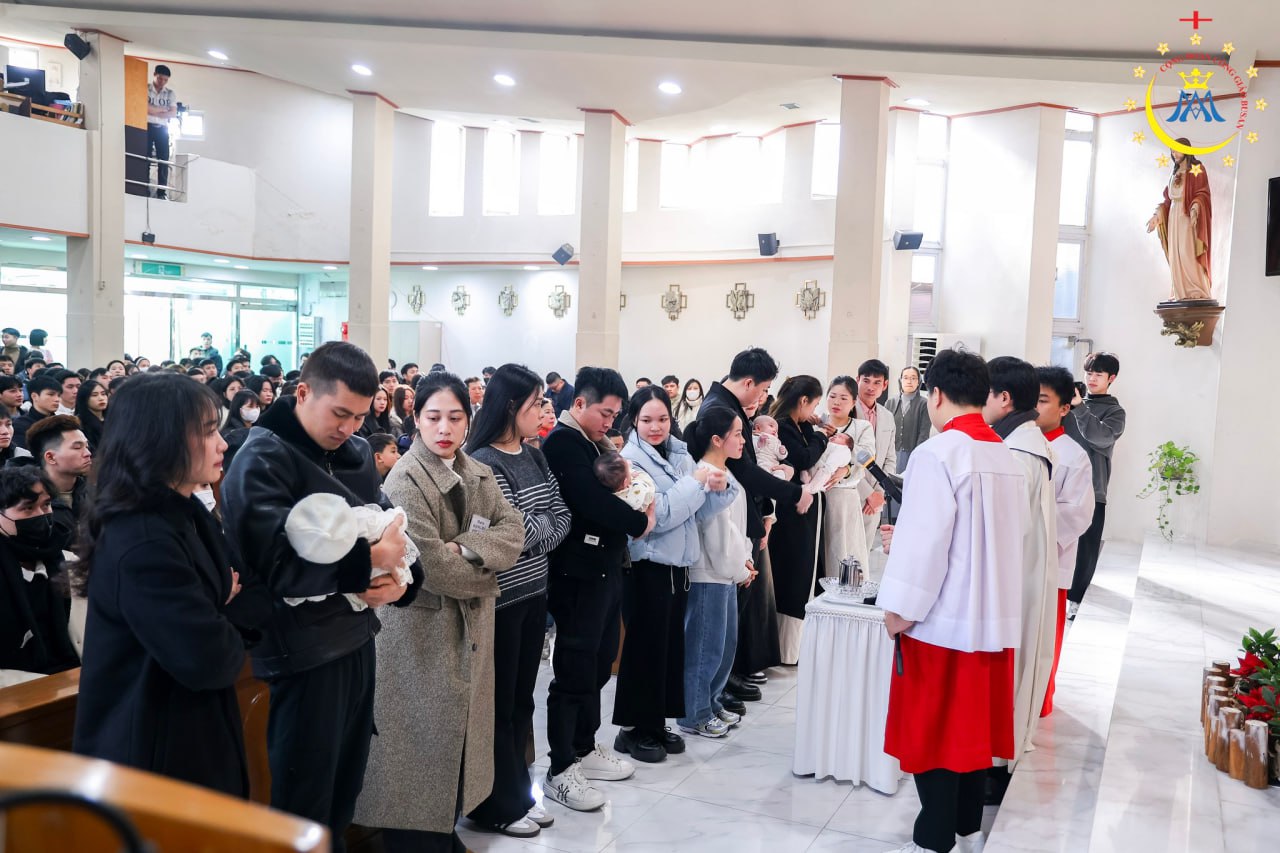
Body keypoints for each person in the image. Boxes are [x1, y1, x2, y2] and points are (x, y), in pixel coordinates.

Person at [219, 341, 419, 849]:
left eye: (359, 416)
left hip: (356, 636)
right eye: (339, 413)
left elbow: (389, 523)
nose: (349, 428)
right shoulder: (261, 456)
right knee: (303, 796)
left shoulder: (353, 453)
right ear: (303, 392)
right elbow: (276, 566)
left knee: (346, 785)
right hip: (300, 650)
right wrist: (368, 562)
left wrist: (399, 580)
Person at [72, 373, 269, 796]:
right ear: (159, 440)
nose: (224, 444)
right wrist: (223, 611)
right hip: (153, 752)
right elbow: (208, 658)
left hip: (192, 731)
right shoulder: (142, 538)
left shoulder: (183, 510)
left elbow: (240, 592)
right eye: (208, 432)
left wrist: (219, 611)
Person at [355, 371, 524, 852]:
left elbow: (514, 532)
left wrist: (466, 548)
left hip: (466, 630)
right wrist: (486, 570)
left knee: (455, 750)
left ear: (469, 421)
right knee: (415, 759)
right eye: (433, 417)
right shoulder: (407, 478)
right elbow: (432, 567)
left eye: (454, 417)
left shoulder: (477, 471)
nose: (444, 428)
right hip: (420, 637)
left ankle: (442, 833)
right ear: (416, 418)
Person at [877, 348, 1026, 853]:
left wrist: (899, 610)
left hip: (940, 620)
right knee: (971, 737)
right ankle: (966, 831)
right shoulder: (1005, 456)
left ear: (935, 394)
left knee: (936, 735)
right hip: (990, 620)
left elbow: (925, 543)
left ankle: (933, 836)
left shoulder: (937, 453)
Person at [464, 364, 572, 837]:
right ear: (511, 408)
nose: (545, 411)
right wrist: (534, 530)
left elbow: (560, 517)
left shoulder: (534, 455)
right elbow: (510, 536)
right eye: (537, 404)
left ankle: (517, 792)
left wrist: (534, 531)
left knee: (521, 701)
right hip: (502, 598)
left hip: (535, 593)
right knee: (499, 705)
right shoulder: (484, 461)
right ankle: (495, 804)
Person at [542, 367, 653, 812]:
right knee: (573, 668)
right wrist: (639, 521)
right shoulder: (563, 444)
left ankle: (585, 748)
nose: (611, 422)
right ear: (581, 403)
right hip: (576, 574)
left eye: (616, 415)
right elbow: (591, 501)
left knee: (600, 661)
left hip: (606, 567)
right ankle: (560, 767)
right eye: (605, 413)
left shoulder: (594, 443)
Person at [613, 385, 733, 763]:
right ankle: (632, 729)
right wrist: (696, 483)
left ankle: (656, 721)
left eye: (662, 419)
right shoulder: (630, 460)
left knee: (668, 650)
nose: (656, 426)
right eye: (647, 420)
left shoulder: (679, 454)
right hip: (647, 565)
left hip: (678, 566)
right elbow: (659, 514)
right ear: (634, 420)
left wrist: (718, 485)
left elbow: (696, 511)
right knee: (643, 650)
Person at [688, 348, 812, 704]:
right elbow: (744, 471)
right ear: (748, 382)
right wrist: (792, 494)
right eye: (763, 389)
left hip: (743, 515)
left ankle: (730, 677)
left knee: (735, 614)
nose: (764, 397)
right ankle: (716, 689)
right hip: (725, 521)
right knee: (719, 622)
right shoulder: (718, 408)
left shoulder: (727, 404)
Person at [982, 356, 1057, 803]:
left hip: (1013, 578)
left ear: (1004, 398)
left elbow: (1004, 532)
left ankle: (995, 768)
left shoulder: (1017, 453)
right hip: (1025, 573)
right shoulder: (1026, 443)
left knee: (1010, 668)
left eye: (984, 394)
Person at [681, 406, 753, 738]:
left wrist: (746, 560)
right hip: (709, 573)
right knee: (705, 648)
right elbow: (717, 535)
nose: (742, 439)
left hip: (728, 570)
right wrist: (740, 568)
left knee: (724, 647)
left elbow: (738, 528)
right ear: (716, 439)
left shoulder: (727, 471)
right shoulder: (706, 475)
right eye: (737, 434)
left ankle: (709, 701)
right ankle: (694, 713)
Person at [1035, 366, 1095, 717]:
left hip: (1048, 561)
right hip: (1010, 561)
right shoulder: (1008, 443)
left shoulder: (1073, 455)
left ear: (1064, 408)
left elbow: (1077, 514)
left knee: (1044, 641)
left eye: (1043, 400)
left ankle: (1040, 699)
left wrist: (1029, 528)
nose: (1035, 407)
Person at [767, 376, 830, 664]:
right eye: (814, 403)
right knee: (793, 574)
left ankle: (796, 647)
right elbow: (803, 457)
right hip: (790, 512)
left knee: (805, 571)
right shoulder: (779, 425)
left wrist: (812, 426)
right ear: (803, 400)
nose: (816, 409)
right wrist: (823, 437)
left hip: (803, 511)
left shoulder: (797, 424)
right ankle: (785, 649)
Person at [0, 467, 78, 680]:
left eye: (46, 505)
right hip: (14, 692)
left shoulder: (69, 562)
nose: (41, 515)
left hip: (74, 678)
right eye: (28, 508)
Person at [1064, 352, 1126, 617]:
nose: (1091, 378)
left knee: (1086, 547)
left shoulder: (1115, 411)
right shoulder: (1072, 403)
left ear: (1111, 378)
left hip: (1093, 487)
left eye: (1098, 374)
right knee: (1062, 542)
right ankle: (1060, 594)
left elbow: (1100, 438)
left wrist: (1079, 408)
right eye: (1089, 373)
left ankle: (1076, 599)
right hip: (1063, 483)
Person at [819, 376, 876, 586]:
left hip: (845, 499)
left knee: (845, 550)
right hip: (820, 497)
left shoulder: (861, 427)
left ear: (853, 402)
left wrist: (848, 467)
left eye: (843, 398)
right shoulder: (817, 424)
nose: (836, 402)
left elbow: (868, 458)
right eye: (832, 396)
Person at [1146, 141, 1213, 301]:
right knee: (1176, 255)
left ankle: (1197, 290)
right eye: (1172, 151)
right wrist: (1156, 216)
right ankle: (1180, 291)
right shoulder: (1174, 173)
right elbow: (1167, 201)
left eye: (1177, 151)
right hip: (1173, 217)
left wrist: (1196, 207)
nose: (1174, 154)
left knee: (1186, 252)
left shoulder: (1198, 170)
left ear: (1186, 151)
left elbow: (1202, 193)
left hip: (1187, 218)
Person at [852, 359, 897, 558]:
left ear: (885, 385)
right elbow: (845, 459)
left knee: (865, 554)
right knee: (845, 554)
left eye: (877, 382)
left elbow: (890, 458)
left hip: (876, 499)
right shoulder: (847, 410)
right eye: (866, 380)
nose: (871, 387)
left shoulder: (887, 416)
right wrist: (867, 492)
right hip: (852, 491)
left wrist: (879, 492)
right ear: (857, 380)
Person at [886, 366, 931, 479]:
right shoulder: (890, 402)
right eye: (905, 377)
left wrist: (917, 456)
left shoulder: (924, 404)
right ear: (900, 381)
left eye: (913, 378)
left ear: (919, 382)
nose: (909, 381)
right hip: (891, 454)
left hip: (912, 454)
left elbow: (924, 433)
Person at [147, 65, 177, 199]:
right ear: (154, 74)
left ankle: (161, 192)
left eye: (165, 80)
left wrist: (153, 110)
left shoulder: (170, 93)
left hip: (163, 129)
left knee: (163, 160)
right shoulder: (145, 88)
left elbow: (173, 113)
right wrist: (162, 110)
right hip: (146, 126)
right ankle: (143, 187)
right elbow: (142, 107)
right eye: (160, 78)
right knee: (145, 158)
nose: (162, 82)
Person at [12, 374, 61, 450]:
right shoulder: (20, 425)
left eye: (59, 395)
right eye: (51, 394)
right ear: (34, 396)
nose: (57, 399)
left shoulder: (61, 422)